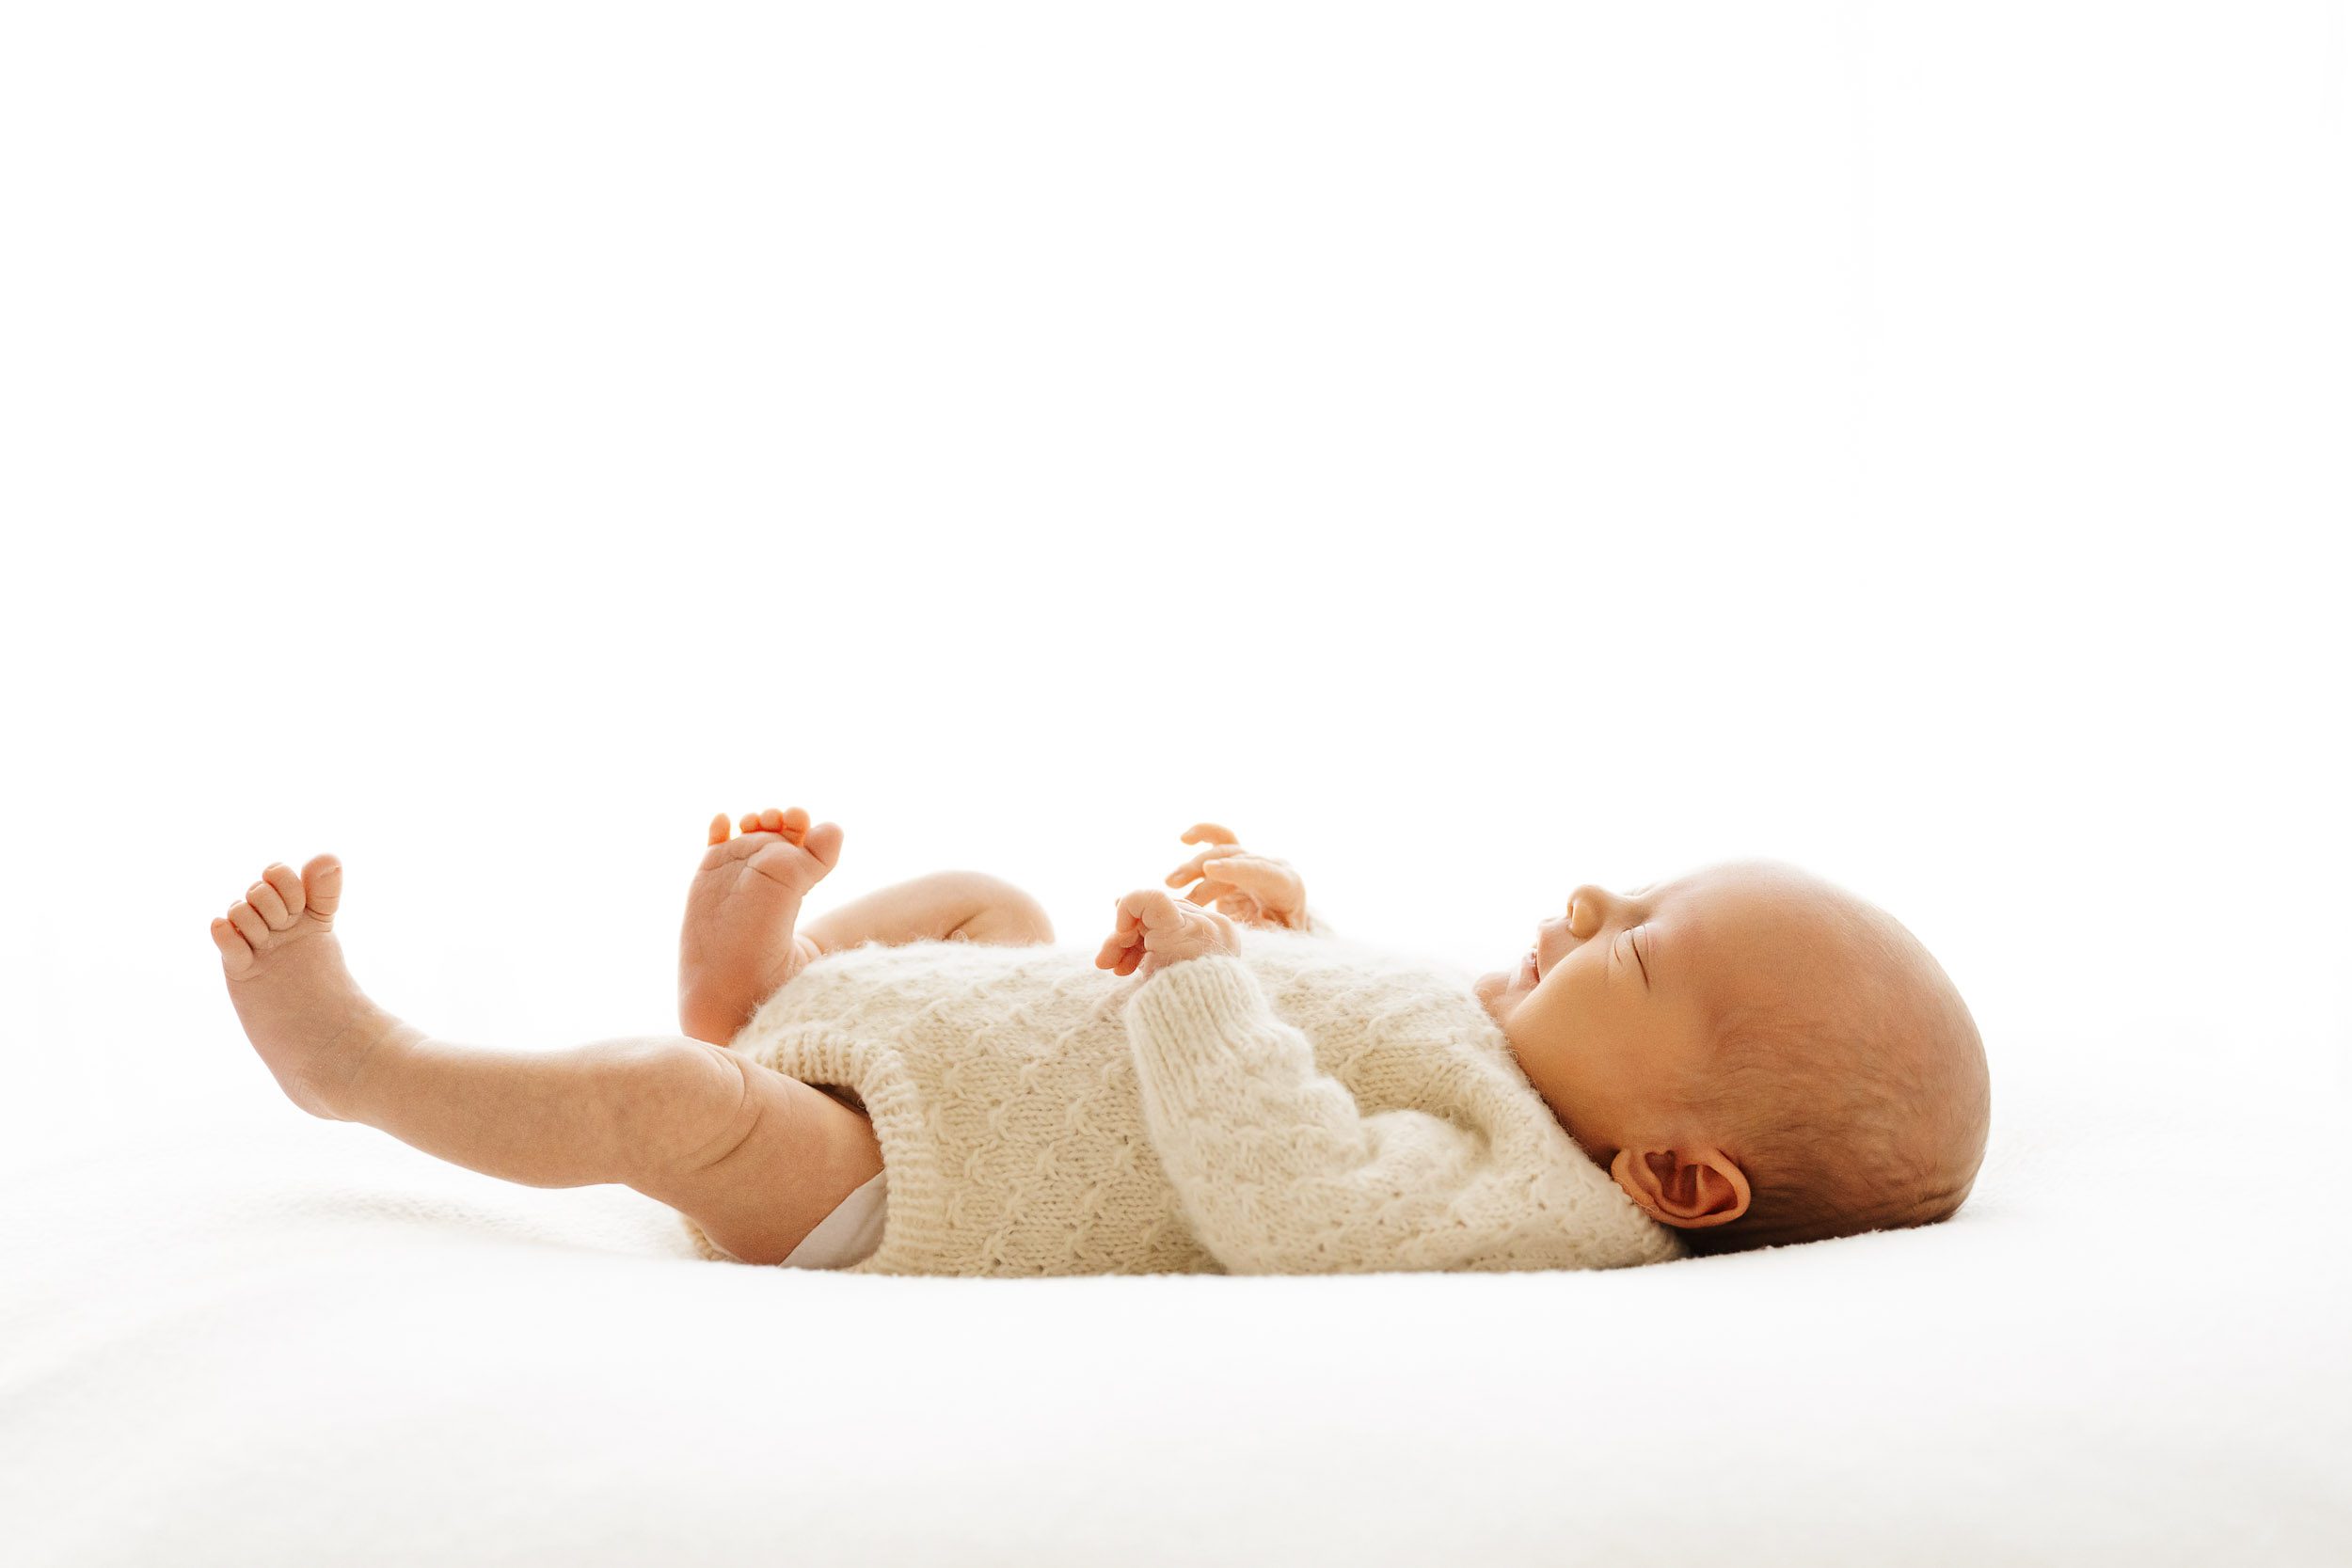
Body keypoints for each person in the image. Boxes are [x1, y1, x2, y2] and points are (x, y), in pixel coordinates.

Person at [211, 809, 1989, 1275]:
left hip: (913, 1178)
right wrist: (1289, 922)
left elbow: (1308, 1197)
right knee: (987, 899)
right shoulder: (1522, 1045)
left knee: (672, 1104)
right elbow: (1347, 1031)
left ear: (1677, 1173)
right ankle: (782, 989)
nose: (1590, 901)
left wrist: (1212, 982)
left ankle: (362, 1065)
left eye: (1641, 948)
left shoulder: (1543, 1196)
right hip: (984, 1046)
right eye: (1635, 890)